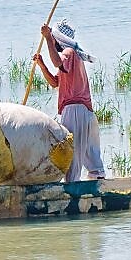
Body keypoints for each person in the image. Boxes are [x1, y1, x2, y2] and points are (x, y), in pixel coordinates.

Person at [32, 20, 107, 181]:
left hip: (74, 110)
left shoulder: (69, 53)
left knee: (72, 151)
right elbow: (55, 82)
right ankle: (98, 180)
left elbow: (58, 62)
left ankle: (72, 187)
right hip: (85, 111)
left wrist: (47, 39)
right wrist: (42, 65)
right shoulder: (73, 56)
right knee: (89, 151)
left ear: (59, 39)